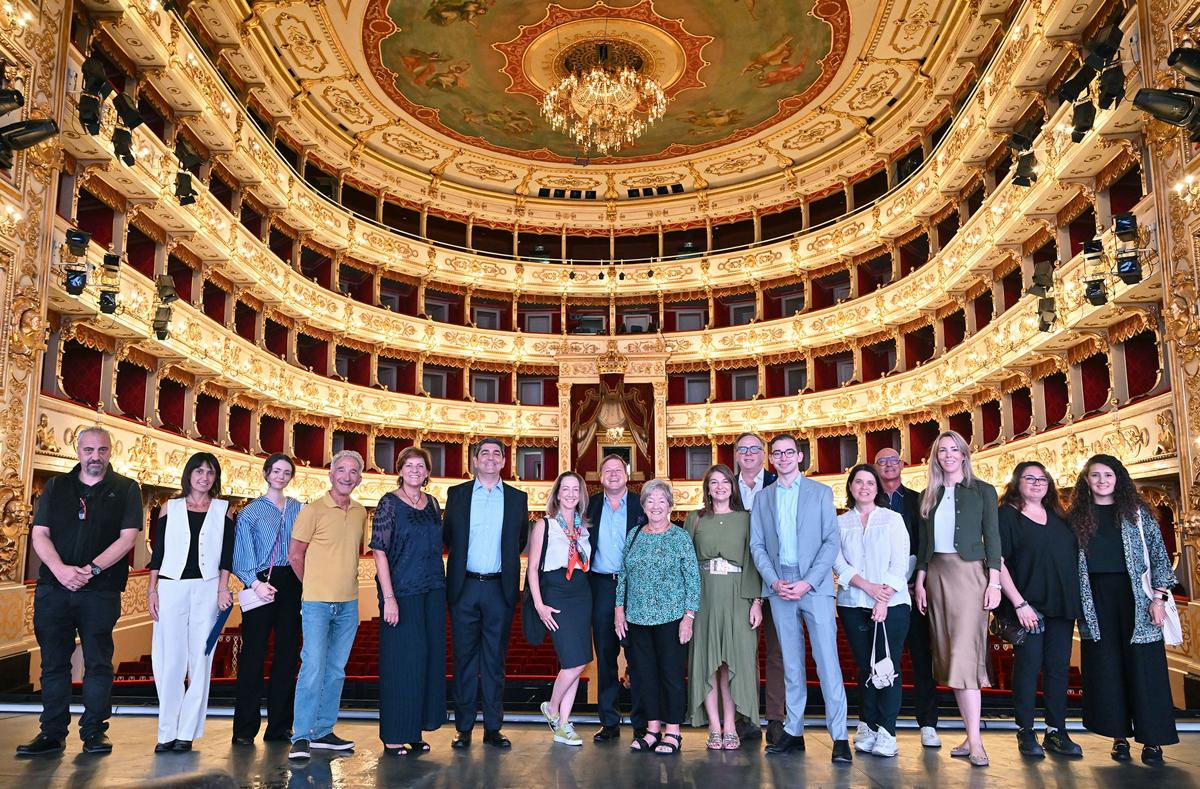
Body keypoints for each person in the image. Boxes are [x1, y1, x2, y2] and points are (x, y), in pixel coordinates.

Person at [18, 426, 142, 757]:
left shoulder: (127, 488)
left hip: (100, 591)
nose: (95, 457)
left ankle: (94, 733)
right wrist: (60, 570)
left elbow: (127, 538)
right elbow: (40, 534)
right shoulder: (56, 486)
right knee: (53, 664)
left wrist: (90, 571)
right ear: (78, 451)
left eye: (101, 450)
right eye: (89, 450)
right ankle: (52, 733)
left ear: (110, 451)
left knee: (98, 662)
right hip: (54, 591)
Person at [749, 434, 851, 762]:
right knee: (791, 663)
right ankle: (794, 730)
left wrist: (807, 582)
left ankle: (839, 737)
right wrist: (774, 581)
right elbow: (758, 546)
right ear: (771, 459)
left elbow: (830, 542)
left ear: (799, 456)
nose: (783, 458)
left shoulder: (820, 493)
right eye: (776, 454)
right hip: (779, 587)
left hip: (815, 587)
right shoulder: (763, 498)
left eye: (788, 452)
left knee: (827, 663)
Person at [1071, 453, 1178, 765]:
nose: (1102, 480)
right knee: (1107, 668)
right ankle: (1119, 738)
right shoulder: (1077, 516)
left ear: (1118, 478)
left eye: (1108, 474)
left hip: (1138, 599)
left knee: (1145, 670)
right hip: (1094, 601)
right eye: (1095, 475)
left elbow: (1158, 554)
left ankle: (1153, 741)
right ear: (1086, 481)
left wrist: (1159, 599)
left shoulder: (1137, 513)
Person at [913, 431, 1000, 768]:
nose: (948, 455)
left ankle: (976, 742)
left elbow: (992, 539)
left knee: (965, 655)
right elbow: (924, 545)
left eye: (954, 449)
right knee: (950, 657)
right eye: (942, 451)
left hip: (969, 574)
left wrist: (994, 583)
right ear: (936, 457)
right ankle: (969, 735)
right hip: (936, 575)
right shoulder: (928, 494)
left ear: (964, 454)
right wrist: (920, 581)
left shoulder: (983, 491)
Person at [147, 452, 236, 752]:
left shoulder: (224, 510)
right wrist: (152, 590)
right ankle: (166, 732)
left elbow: (227, 556)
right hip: (171, 587)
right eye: (199, 471)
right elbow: (157, 553)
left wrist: (223, 589)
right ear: (189, 474)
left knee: (201, 659)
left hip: (207, 589)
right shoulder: (168, 507)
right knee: (168, 661)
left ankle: (186, 733)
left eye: (210, 473)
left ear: (215, 478)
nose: (204, 477)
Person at [444, 438, 529, 749]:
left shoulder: (518, 498)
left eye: (497, 454)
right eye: (485, 453)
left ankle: (493, 728)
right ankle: (463, 728)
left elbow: (519, 540)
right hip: (464, 587)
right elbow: (450, 536)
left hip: (499, 589)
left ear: (504, 462)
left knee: (495, 662)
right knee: (464, 660)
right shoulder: (457, 495)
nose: (491, 458)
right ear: (475, 460)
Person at [996, 461, 1083, 758]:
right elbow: (999, 562)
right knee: (1029, 668)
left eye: (1041, 478)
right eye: (1028, 478)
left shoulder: (1060, 516)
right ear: (1017, 483)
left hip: (1061, 604)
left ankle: (1056, 732)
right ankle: (1026, 731)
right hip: (1028, 606)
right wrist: (1019, 603)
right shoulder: (1006, 515)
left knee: (1058, 669)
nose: (1036, 483)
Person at [287, 450, 369, 761]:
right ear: (331, 475)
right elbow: (295, 555)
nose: (347, 477)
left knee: (335, 671)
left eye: (353, 472)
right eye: (342, 470)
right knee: (312, 668)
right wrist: (311, 587)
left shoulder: (361, 512)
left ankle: (323, 731)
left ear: (359, 478)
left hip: (348, 603)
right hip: (317, 603)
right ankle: (301, 735)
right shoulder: (312, 510)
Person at [615, 479, 700, 755]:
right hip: (638, 618)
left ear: (670, 506)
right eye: (650, 501)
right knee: (644, 677)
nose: (655, 506)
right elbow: (623, 575)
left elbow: (693, 580)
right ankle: (653, 730)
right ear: (644, 506)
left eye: (661, 501)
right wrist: (619, 610)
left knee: (671, 676)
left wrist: (688, 617)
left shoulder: (679, 537)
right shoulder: (635, 535)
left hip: (672, 618)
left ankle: (673, 731)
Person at [370, 447, 447, 755]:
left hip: (433, 590)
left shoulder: (433, 503)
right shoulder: (389, 503)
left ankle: (414, 730)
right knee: (401, 663)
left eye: (421, 465)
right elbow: (379, 551)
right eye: (409, 464)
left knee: (425, 662)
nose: (415, 469)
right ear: (400, 470)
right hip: (401, 593)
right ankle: (393, 735)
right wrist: (388, 598)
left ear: (427, 472)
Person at [834, 464, 911, 758]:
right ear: (851, 487)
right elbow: (839, 564)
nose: (864, 487)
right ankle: (866, 724)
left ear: (877, 488)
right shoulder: (840, 523)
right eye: (858, 482)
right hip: (853, 603)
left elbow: (900, 563)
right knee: (865, 668)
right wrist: (867, 588)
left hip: (892, 604)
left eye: (870, 482)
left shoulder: (892, 519)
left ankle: (887, 731)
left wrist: (883, 598)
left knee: (886, 668)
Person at [685, 464, 762, 750]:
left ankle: (731, 724)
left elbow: (754, 561)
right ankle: (714, 727)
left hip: (737, 594)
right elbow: (686, 564)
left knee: (732, 662)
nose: (719, 487)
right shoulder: (695, 518)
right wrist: (687, 609)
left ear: (733, 486)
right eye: (713, 482)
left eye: (725, 482)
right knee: (707, 661)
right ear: (707, 488)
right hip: (703, 595)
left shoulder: (747, 519)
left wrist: (756, 602)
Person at [231, 453, 304, 745]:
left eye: (287, 472)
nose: (281, 476)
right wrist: (255, 583)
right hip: (261, 581)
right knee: (253, 657)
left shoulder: (300, 509)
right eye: (276, 471)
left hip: (292, 582)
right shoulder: (250, 512)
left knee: (287, 657)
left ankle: (279, 728)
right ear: (266, 474)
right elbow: (240, 557)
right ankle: (244, 730)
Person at [874, 447, 940, 748]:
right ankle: (881, 725)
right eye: (881, 462)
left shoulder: (918, 500)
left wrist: (918, 580)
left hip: (914, 589)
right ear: (875, 468)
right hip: (878, 593)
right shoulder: (869, 499)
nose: (888, 465)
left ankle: (927, 723)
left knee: (921, 657)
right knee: (883, 659)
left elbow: (926, 544)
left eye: (893, 460)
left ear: (903, 464)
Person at [529, 472, 594, 746]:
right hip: (556, 592)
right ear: (556, 494)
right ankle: (552, 708)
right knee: (575, 660)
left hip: (582, 592)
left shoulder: (584, 527)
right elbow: (532, 568)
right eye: (564, 489)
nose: (570, 494)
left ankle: (563, 725)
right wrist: (539, 605)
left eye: (575, 489)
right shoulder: (544, 525)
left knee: (577, 663)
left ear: (581, 495)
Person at [586, 454, 646, 742]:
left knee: (638, 655)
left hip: (635, 586)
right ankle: (609, 721)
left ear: (627, 474)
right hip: (601, 587)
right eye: (607, 470)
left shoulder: (640, 505)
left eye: (618, 470)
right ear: (600, 476)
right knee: (606, 656)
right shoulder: (590, 505)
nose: (613, 474)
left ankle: (641, 723)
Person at [733, 432, 782, 745]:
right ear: (736, 455)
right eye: (742, 449)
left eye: (754, 449)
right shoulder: (724, 485)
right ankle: (746, 716)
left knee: (779, 651)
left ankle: (777, 718)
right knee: (742, 651)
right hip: (738, 580)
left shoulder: (780, 482)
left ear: (764, 454)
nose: (748, 454)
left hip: (777, 577)